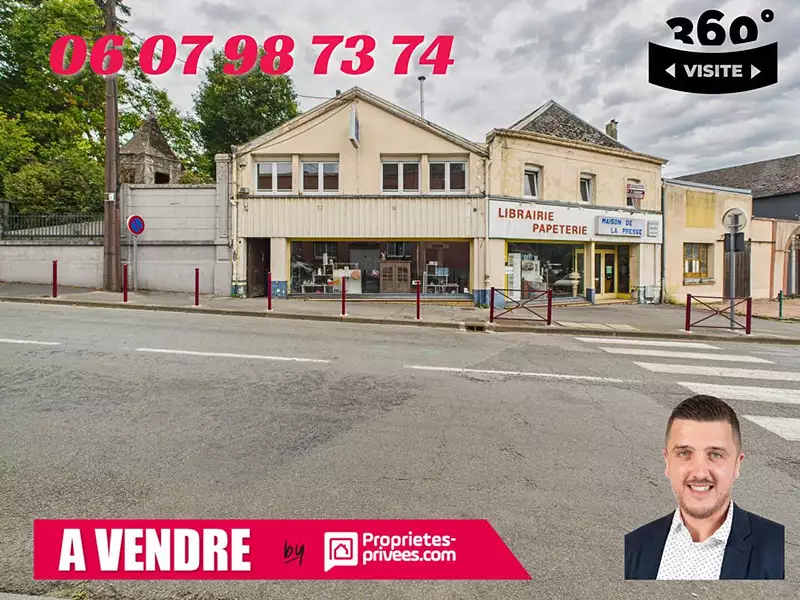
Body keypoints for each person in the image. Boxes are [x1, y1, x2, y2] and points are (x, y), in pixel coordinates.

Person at [624, 395, 784, 580]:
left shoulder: (778, 549)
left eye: (715, 454)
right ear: (667, 463)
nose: (700, 473)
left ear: (736, 465)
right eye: (684, 453)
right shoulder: (633, 546)